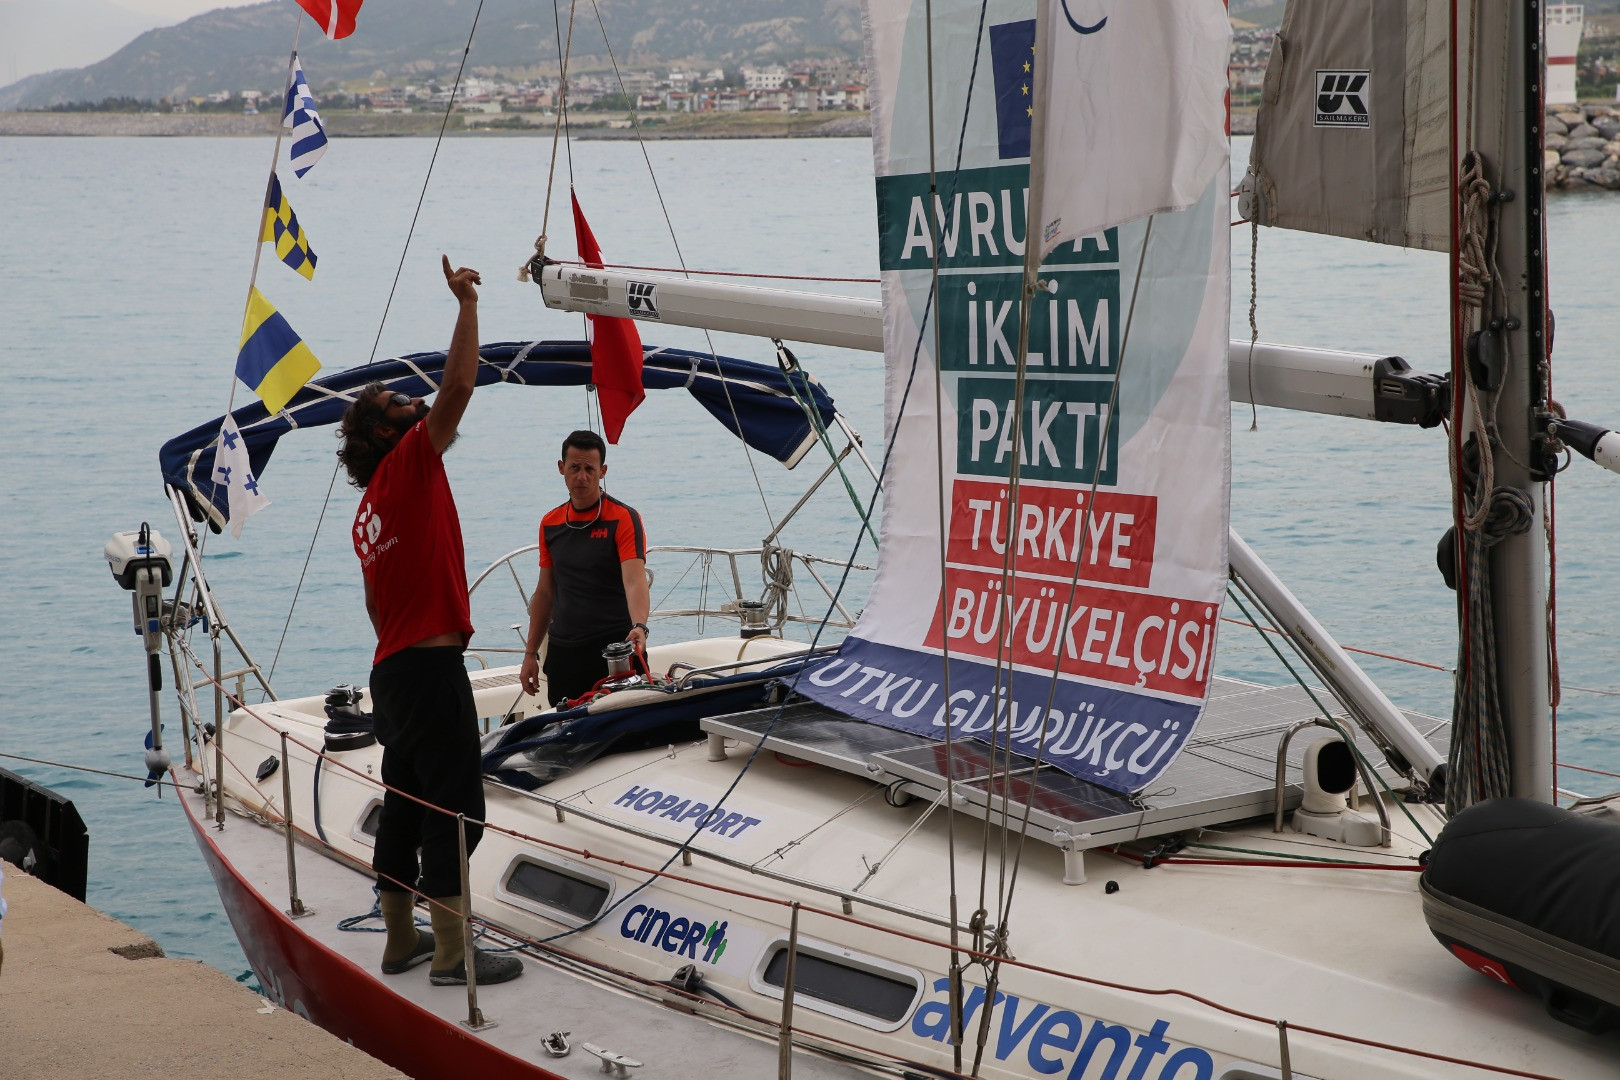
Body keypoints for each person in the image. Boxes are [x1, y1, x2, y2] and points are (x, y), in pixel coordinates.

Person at [336, 255, 521, 988]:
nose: (413, 401)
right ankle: (451, 953)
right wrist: (467, 305)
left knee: (406, 806)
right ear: (386, 434)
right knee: (456, 810)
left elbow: (374, 608)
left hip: (392, 673)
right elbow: (460, 386)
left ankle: (398, 940)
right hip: (429, 668)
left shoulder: (366, 513)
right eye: (397, 403)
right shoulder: (411, 461)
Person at [519, 429, 650, 706]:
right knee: (565, 728)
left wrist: (640, 626)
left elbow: (634, 581)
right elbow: (545, 592)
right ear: (561, 468)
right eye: (574, 468)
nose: (582, 477)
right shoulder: (550, 523)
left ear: (602, 471)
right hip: (563, 653)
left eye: (590, 469)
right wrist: (530, 653)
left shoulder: (623, 517)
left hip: (614, 650)